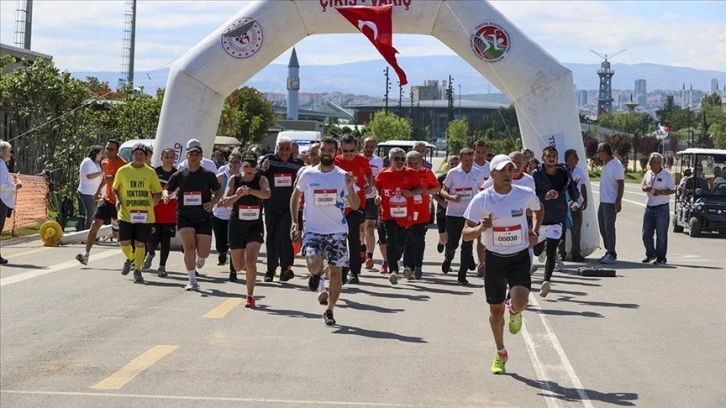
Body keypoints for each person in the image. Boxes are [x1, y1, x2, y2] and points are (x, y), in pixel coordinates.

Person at [462, 154, 542, 375]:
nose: (508, 173)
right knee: (496, 312)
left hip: (519, 257)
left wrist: (534, 229)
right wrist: (480, 229)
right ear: (492, 174)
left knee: (520, 300)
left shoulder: (524, 194)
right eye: (503, 170)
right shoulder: (481, 200)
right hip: (494, 260)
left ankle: (515, 311)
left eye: (510, 169)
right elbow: (466, 234)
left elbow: (538, 208)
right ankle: (500, 352)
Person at [290, 137, 359, 326]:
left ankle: (330, 310)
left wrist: (350, 187)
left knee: (336, 273)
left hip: (337, 232)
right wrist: (295, 222)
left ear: (336, 153)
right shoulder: (308, 174)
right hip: (313, 230)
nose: (327, 152)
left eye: (331, 150)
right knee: (314, 264)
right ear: (318, 152)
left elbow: (355, 204)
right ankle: (316, 274)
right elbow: (295, 196)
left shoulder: (343, 176)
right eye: (323, 149)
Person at [164, 143, 223, 291]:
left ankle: (200, 257)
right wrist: (167, 196)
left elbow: (218, 191)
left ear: (201, 158)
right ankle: (192, 280)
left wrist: (213, 202)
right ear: (187, 157)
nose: (194, 157)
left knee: (204, 252)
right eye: (191, 154)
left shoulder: (208, 175)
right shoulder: (179, 175)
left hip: (203, 217)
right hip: (185, 216)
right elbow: (168, 189)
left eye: (197, 155)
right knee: (189, 248)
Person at [221, 151, 271, 307]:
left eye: (253, 165)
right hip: (237, 225)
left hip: (254, 226)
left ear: (257, 166)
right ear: (242, 166)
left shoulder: (261, 179)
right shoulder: (234, 180)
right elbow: (225, 202)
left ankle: (250, 295)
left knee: (251, 262)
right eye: (246, 165)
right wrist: (238, 195)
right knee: (238, 266)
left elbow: (267, 195)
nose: (249, 169)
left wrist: (250, 191)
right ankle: (237, 258)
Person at [531, 146, 579, 297]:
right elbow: (530, 193)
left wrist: (575, 200)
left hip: (557, 217)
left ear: (557, 159)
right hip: (540, 219)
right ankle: (541, 248)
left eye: (554, 156)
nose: (551, 158)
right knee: (537, 250)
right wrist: (544, 196)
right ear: (543, 158)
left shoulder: (564, 173)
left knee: (552, 251)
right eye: (548, 156)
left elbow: (572, 189)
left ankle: (546, 281)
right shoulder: (536, 174)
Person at [112, 144, 163, 283]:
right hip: (126, 213)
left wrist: (157, 198)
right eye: (136, 154)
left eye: (142, 154)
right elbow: (115, 188)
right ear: (132, 155)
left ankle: (138, 270)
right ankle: (130, 258)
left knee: (140, 244)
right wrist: (118, 199)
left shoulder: (150, 172)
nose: (139, 156)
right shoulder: (123, 171)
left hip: (145, 214)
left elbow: (158, 191)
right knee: (124, 242)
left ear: (146, 156)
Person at [258, 136, 305, 282]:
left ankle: (286, 268)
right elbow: (259, 176)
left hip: (289, 207)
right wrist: (263, 169)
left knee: (284, 235)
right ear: (277, 149)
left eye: (287, 149)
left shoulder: (297, 163)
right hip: (271, 206)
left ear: (291, 150)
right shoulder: (268, 160)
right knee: (271, 236)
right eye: (281, 149)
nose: (284, 152)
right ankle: (270, 269)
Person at [375, 148, 422, 284]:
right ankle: (393, 271)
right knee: (391, 241)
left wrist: (411, 193)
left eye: (402, 159)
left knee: (401, 243)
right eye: (397, 159)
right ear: (390, 160)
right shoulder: (383, 174)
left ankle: (397, 259)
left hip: (405, 214)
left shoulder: (411, 173)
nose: (400, 162)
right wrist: (378, 197)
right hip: (388, 213)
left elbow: (420, 189)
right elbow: (378, 188)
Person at [440, 148, 486, 285]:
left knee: (467, 245)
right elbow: (443, 190)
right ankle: (448, 257)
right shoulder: (453, 173)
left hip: (471, 215)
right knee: (453, 243)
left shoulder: (477, 173)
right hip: (454, 213)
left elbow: (482, 189)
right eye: (466, 161)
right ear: (460, 159)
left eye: (471, 161)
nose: (468, 163)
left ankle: (462, 274)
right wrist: (451, 197)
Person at [76, 139, 127, 266]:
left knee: (116, 235)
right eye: (107, 149)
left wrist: (114, 178)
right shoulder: (104, 163)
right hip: (107, 199)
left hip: (119, 201)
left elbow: (126, 182)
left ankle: (131, 257)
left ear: (117, 150)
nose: (108, 152)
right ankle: (86, 255)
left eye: (111, 149)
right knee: (95, 224)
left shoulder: (123, 164)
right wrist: (98, 191)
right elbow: (105, 179)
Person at [334, 135, 372, 284]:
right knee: (340, 239)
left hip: (357, 204)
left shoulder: (362, 160)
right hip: (339, 206)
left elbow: (368, 173)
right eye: (345, 151)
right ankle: (342, 270)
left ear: (357, 148)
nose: (348, 154)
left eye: (351, 151)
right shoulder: (336, 161)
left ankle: (355, 272)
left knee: (353, 238)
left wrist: (370, 184)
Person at [403, 150, 440, 279]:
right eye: (410, 163)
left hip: (422, 213)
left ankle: (418, 265)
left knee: (419, 240)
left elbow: (437, 188)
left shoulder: (427, 173)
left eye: (416, 163)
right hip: (405, 212)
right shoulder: (403, 173)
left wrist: (427, 191)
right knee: (408, 239)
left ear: (421, 162)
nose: (413, 166)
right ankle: (408, 266)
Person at [143, 147, 178, 276]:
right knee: (152, 241)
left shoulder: (177, 174)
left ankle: (162, 267)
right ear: (161, 158)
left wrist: (172, 195)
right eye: (166, 157)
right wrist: (155, 197)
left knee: (166, 241)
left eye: (172, 157)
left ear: (175, 159)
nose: (169, 160)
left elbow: (179, 191)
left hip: (170, 213)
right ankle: (151, 253)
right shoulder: (154, 172)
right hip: (155, 213)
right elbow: (147, 189)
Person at [641, 153, 676, 265]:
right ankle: (651, 254)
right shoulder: (648, 173)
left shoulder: (666, 175)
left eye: (652, 162)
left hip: (662, 208)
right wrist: (646, 188)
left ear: (659, 163)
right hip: (649, 207)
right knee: (646, 233)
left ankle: (661, 257)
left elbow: (673, 190)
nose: (649, 163)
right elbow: (642, 186)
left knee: (661, 234)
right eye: (649, 161)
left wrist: (661, 192)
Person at [212, 149, 242, 272]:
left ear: (240, 163)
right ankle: (222, 253)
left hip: (234, 215)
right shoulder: (222, 176)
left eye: (236, 162)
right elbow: (210, 188)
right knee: (220, 244)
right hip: (219, 214)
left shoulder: (242, 177)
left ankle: (233, 271)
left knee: (232, 243)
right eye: (231, 162)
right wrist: (215, 199)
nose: (233, 164)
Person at [558, 149, 588, 263]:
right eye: (575, 157)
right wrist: (572, 184)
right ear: (568, 159)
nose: (578, 159)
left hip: (577, 204)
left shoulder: (579, 170)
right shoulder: (561, 170)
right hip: (564, 206)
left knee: (576, 230)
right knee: (562, 230)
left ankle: (576, 253)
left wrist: (585, 200)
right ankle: (561, 254)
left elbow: (583, 185)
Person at [361, 137, 386, 272]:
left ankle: (369, 256)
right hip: (359, 197)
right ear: (362, 145)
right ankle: (361, 248)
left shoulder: (378, 161)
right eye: (367, 146)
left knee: (370, 227)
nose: (369, 149)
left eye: (372, 147)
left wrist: (379, 194)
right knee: (360, 229)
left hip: (372, 198)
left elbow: (381, 179)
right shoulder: (357, 159)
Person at [596, 142, 623, 265]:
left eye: (599, 151)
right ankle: (608, 251)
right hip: (603, 201)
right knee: (603, 227)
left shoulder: (616, 165)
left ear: (606, 152)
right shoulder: (606, 164)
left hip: (610, 202)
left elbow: (621, 184)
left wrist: (618, 201)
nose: (598, 153)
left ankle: (612, 253)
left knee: (609, 228)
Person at [433, 155, 460, 254]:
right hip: (442, 211)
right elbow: (433, 193)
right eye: (451, 163)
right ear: (448, 165)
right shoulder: (441, 178)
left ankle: (448, 257)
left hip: (455, 212)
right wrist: (442, 202)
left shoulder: (462, 178)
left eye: (456, 164)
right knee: (444, 238)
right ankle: (441, 242)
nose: (453, 165)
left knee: (451, 238)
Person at [472, 140, 491, 277]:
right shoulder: (469, 165)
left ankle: (482, 263)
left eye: (483, 152)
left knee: (482, 236)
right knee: (472, 235)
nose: (480, 155)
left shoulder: (491, 167)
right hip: (472, 205)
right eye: (478, 152)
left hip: (488, 205)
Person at [0, 140, 21, 265]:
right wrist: (15, 187)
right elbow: (2, 185)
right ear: (3, 152)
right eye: (9, 151)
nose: (10, 154)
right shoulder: (2, 166)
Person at [77, 146, 104, 231]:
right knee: (90, 213)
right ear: (95, 153)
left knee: (94, 214)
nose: (102, 155)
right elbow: (89, 176)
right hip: (87, 192)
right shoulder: (87, 162)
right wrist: (101, 172)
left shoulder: (96, 163)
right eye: (100, 153)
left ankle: (92, 232)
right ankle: (86, 233)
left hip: (94, 192)